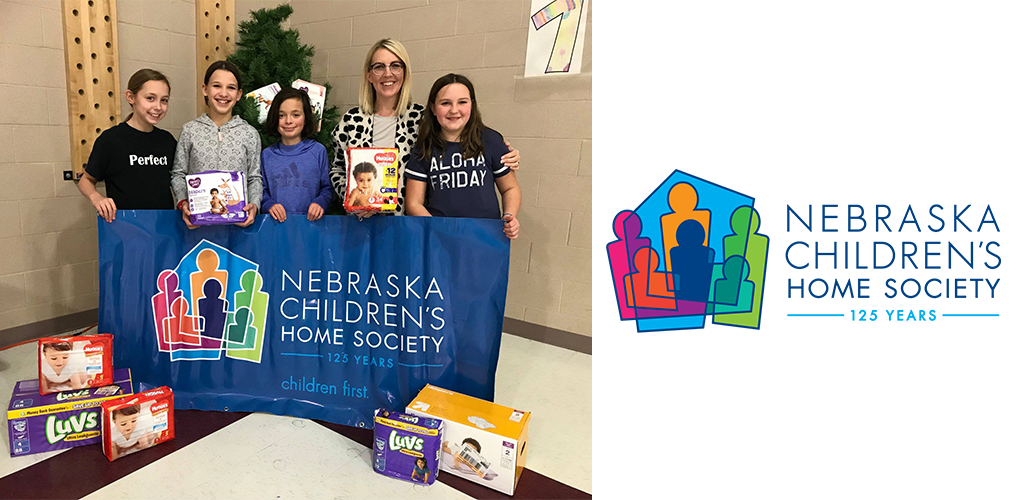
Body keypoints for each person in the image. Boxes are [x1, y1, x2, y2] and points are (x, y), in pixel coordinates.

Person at [329, 39, 521, 217]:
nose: (388, 73)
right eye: (379, 67)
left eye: (395, 65)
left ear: (404, 72)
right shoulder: (351, 121)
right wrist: (358, 199)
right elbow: (336, 169)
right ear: (369, 75)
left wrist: (506, 152)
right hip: (361, 224)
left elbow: (459, 136)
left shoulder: (422, 119)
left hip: (409, 226)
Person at [404, 74, 521, 240]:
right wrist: (438, 230)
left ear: (472, 105)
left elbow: (510, 188)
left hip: (486, 237)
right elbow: (414, 203)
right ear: (433, 108)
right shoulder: (424, 148)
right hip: (440, 238)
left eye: (462, 102)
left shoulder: (491, 140)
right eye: (445, 103)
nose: (454, 110)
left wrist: (510, 215)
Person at [171, 60, 261, 229]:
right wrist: (183, 203)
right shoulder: (190, 130)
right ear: (205, 89)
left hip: (237, 228)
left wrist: (254, 206)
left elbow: (254, 177)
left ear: (239, 94)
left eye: (231, 88)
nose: (224, 93)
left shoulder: (249, 133)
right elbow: (178, 173)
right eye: (217, 86)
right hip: (197, 227)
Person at [78, 69, 176, 222]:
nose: (158, 106)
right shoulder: (110, 140)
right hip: (125, 227)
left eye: (164, 100)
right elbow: (86, 180)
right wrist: (96, 197)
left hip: (163, 228)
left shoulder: (167, 140)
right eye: (150, 98)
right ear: (131, 97)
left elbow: (179, 179)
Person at [260, 87, 333, 222]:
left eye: (295, 115)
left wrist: (320, 203)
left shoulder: (318, 151)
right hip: (275, 227)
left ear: (305, 117)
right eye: (282, 115)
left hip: (310, 226)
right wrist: (269, 205)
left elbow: (327, 189)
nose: (288, 121)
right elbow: (261, 191)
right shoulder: (267, 155)